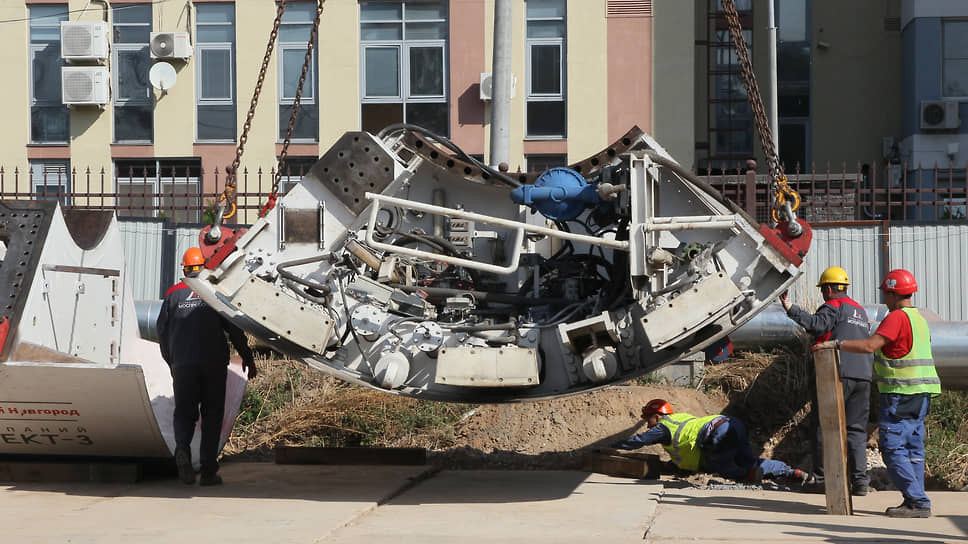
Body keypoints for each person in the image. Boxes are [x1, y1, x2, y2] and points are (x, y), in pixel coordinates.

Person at [813, 268, 940, 518]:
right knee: (914, 449)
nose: (884, 298)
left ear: (893, 293)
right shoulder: (919, 319)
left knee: (892, 448)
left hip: (900, 394)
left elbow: (871, 346)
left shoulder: (896, 317)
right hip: (922, 394)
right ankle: (916, 500)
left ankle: (917, 500)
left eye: (885, 293)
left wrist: (837, 343)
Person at [157, 247, 257, 486]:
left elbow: (162, 331)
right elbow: (234, 329)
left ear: (184, 269)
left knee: (184, 413)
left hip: (183, 365)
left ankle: (182, 449)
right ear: (204, 267)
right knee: (212, 416)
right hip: (212, 365)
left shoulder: (173, 294)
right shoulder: (213, 291)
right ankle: (209, 471)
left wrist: (173, 362)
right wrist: (247, 357)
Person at [779, 266, 872, 496]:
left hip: (836, 373)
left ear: (829, 289)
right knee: (856, 430)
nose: (822, 294)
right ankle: (860, 482)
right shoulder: (860, 311)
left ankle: (822, 479)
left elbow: (816, 325)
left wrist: (791, 309)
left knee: (825, 426)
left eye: (823, 290)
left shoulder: (834, 306)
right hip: (863, 376)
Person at [610, 399, 810, 484]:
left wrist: (612, 447)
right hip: (733, 424)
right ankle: (791, 472)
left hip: (717, 434)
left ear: (658, 415)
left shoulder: (663, 427)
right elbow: (687, 454)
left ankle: (748, 475)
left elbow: (638, 441)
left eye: (648, 420)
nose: (648, 425)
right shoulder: (680, 418)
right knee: (749, 461)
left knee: (723, 467)